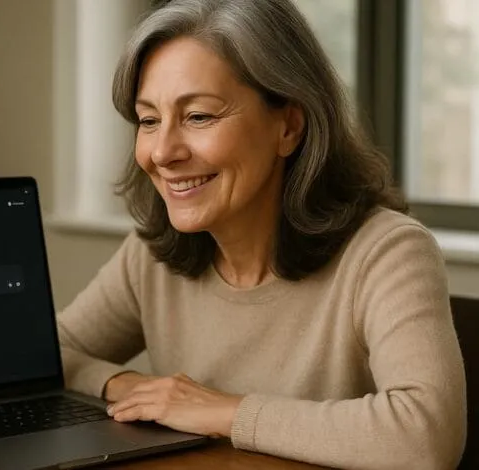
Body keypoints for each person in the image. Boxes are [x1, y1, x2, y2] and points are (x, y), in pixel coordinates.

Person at [55, 0, 467, 468]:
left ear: (288, 126)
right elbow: (48, 355)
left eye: (199, 116)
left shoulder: (388, 252)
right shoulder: (152, 252)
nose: (162, 152)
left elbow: (426, 436)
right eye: (149, 120)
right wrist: (127, 385)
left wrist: (225, 411)